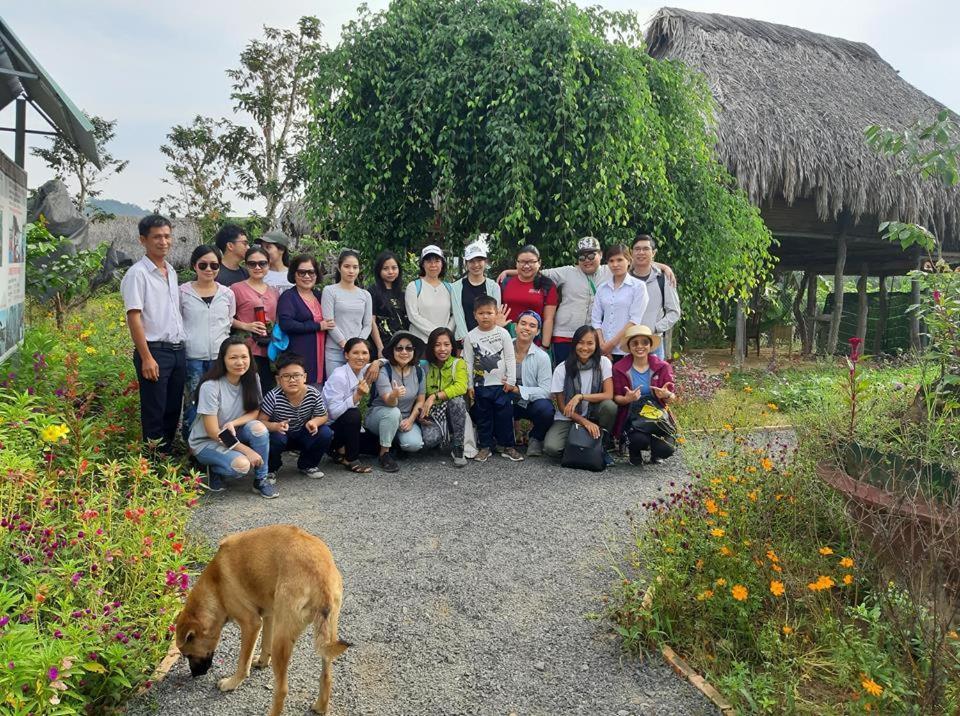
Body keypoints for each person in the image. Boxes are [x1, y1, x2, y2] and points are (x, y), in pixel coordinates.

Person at [501, 235, 675, 364]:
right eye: (582, 257)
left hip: (592, 337)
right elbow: (534, 271)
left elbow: (631, 262)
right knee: (564, 372)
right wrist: (510, 272)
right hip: (565, 333)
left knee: (591, 375)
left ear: (600, 255)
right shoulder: (567, 272)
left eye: (592, 255)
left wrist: (662, 267)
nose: (587, 260)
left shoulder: (610, 269)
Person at [119, 214, 186, 456]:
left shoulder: (170, 271)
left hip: (178, 350)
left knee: (172, 409)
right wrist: (146, 357)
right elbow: (134, 316)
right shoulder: (138, 274)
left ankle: (166, 456)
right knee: (154, 411)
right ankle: (153, 463)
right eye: (157, 237)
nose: (163, 241)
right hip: (154, 351)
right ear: (143, 240)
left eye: (167, 236)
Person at [188, 336, 275, 498]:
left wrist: (233, 423)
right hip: (206, 441)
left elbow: (254, 412)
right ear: (223, 360)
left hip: (232, 433)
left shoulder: (252, 378)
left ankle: (261, 479)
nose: (240, 362)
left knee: (259, 428)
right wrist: (246, 450)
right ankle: (214, 469)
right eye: (233, 357)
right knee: (242, 466)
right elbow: (214, 432)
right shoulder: (210, 386)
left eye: (244, 357)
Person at [179, 245, 236, 440]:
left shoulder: (227, 294)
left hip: (220, 360)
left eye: (214, 265)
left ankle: (217, 446)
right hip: (192, 358)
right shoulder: (182, 293)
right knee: (193, 405)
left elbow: (229, 320)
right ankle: (191, 448)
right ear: (194, 266)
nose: (209, 269)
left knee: (218, 405)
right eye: (203, 265)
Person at [544, 325, 617, 463]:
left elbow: (609, 395)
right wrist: (584, 422)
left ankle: (602, 445)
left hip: (593, 414)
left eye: (590, 343)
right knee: (551, 448)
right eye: (580, 342)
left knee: (610, 406)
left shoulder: (603, 363)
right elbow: (562, 407)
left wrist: (580, 396)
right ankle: (577, 444)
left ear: (596, 345)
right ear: (574, 344)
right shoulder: (562, 369)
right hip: (568, 417)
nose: (584, 348)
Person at [464, 295, 522, 462]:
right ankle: (485, 446)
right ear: (475, 314)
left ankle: (508, 446)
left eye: (489, 312)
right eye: (481, 313)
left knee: (504, 415)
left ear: (496, 313)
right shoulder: (470, 337)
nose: (485, 316)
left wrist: (511, 380)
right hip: (481, 385)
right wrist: (469, 385)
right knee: (484, 417)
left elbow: (511, 358)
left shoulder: (503, 333)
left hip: (502, 385)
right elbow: (467, 362)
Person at [258, 354, 333, 481]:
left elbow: (323, 415)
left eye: (296, 375)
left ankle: (307, 464)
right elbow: (260, 421)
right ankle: (271, 469)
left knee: (325, 432)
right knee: (274, 438)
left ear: (304, 377)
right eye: (286, 376)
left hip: (303, 432)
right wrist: (275, 426)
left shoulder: (313, 393)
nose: (292, 380)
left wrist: (314, 422)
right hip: (281, 434)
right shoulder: (273, 397)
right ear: (278, 379)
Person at [613, 324, 677, 466]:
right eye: (635, 343)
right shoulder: (619, 368)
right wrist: (627, 399)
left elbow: (672, 397)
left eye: (644, 342)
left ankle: (656, 453)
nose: (639, 346)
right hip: (631, 414)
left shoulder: (662, 366)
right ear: (629, 346)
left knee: (667, 448)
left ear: (650, 345)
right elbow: (616, 397)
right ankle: (634, 453)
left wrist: (666, 395)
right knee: (638, 440)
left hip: (656, 414)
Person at [365, 331, 427, 472]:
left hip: (404, 419)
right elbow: (389, 402)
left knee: (414, 445)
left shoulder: (419, 371)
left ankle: (393, 442)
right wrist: (394, 394)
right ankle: (384, 453)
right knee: (393, 412)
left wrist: (411, 420)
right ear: (393, 351)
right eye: (399, 348)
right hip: (380, 415)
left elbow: (420, 400)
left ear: (414, 351)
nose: (404, 352)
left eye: (409, 348)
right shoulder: (384, 370)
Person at [321, 338, 378, 473]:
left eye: (364, 353)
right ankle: (351, 459)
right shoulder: (339, 376)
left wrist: (376, 362)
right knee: (353, 414)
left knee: (376, 446)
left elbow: (386, 360)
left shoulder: (361, 369)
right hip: (329, 429)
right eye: (355, 353)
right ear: (346, 355)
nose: (360, 357)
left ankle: (337, 451)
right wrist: (357, 395)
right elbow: (333, 413)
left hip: (347, 427)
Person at [503, 310, 554, 457]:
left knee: (546, 409)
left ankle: (535, 438)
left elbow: (546, 391)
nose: (526, 328)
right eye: (523, 323)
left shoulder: (542, 357)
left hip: (529, 403)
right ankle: (505, 436)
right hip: (507, 399)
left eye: (532, 326)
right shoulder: (503, 348)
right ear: (516, 327)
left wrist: (518, 389)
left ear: (537, 332)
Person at [277, 255, 334, 385]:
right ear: (294, 274)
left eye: (311, 272)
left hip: (324, 355)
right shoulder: (289, 297)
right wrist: (317, 326)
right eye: (302, 272)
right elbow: (286, 324)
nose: (307, 276)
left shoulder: (320, 296)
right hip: (299, 357)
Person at [231, 246, 280, 392]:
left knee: (268, 391)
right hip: (246, 350)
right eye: (252, 264)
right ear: (246, 265)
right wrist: (247, 326)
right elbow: (225, 318)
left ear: (268, 264)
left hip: (269, 350)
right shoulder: (236, 289)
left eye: (262, 263)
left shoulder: (274, 291)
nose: (257, 267)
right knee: (248, 393)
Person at [420, 327, 469, 467]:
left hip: (452, 412)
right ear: (431, 347)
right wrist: (378, 362)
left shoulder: (458, 363)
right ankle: (442, 437)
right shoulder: (424, 365)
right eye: (437, 345)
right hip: (433, 414)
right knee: (429, 440)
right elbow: (400, 362)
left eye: (446, 344)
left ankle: (458, 446)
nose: (442, 349)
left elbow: (461, 386)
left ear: (452, 346)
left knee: (457, 401)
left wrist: (434, 396)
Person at [591, 243, 648, 362]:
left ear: (629, 260)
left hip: (627, 349)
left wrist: (610, 345)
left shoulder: (638, 287)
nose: (615, 264)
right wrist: (602, 345)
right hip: (603, 350)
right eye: (611, 261)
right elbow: (596, 320)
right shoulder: (602, 288)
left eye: (619, 260)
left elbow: (634, 320)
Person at [322, 249, 373, 378]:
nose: (351, 271)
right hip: (335, 351)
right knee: (335, 391)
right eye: (347, 266)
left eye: (355, 267)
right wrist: (345, 345)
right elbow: (329, 323)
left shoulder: (365, 295)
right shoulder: (329, 291)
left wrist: (357, 346)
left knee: (356, 391)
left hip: (358, 354)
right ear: (339, 268)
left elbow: (367, 325)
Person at [629, 234, 681, 359]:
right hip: (627, 343)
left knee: (656, 378)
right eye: (637, 249)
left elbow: (674, 312)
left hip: (653, 344)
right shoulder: (623, 279)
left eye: (646, 249)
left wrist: (655, 328)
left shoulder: (664, 278)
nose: (641, 252)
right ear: (631, 253)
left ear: (654, 253)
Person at [498, 245, 558, 348]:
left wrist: (544, 346)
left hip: (534, 341)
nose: (526, 266)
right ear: (516, 263)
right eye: (522, 262)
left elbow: (549, 319)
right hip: (505, 338)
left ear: (539, 263)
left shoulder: (547, 285)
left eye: (531, 262)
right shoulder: (505, 282)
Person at [451, 237, 503, 341]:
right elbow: (458, 315)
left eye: (479, 260)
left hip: (489, 339)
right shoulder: (456, 287)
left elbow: (494, 314)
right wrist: (467, 340)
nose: (476, 265)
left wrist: (486, 338)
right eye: (471, 261)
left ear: (485, 262)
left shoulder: (493, 287)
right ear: (466, 263)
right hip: (463, 340)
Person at [405, 245, 455, 342]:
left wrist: (446, 334)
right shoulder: (414, 286)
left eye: (437, 261)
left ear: (442, 264)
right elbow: (413, 316)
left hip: (443, 344)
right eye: (429, 261)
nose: (433, 265)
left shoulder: (450, 288)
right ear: (422, 264)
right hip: (420, 343)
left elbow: (455, 315)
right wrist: (436, 333)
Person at [369, 250, 409, 357]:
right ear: (379, 271)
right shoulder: (373, 291)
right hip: (382, 345)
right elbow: (371, 321)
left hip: (401, 347)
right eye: (385, 268)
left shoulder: (402, 294)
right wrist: (380, 347)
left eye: (394, 268)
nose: (390, 272)